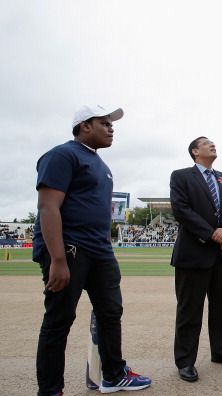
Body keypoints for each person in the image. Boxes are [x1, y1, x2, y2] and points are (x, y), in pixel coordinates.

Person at [33, 105, 151, 395]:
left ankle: (112, 374)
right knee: (59, 320)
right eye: (105, 123)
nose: (111, 128)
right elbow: (48, 207)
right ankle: (50, 390)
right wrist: (58, 259)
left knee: (111, 312)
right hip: (70, 249)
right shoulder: (62, 154)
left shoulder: (101, 165)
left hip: (99, 251)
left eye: (112, 124)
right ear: (85, 126)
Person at [170, 136, 222, 383]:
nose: (213, 145)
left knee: (221, 308)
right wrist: (212, 233)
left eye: (213, 142)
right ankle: (185, 361)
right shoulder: (180, 176)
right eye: (206, 143)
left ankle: (220, 352)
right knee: (190, 311)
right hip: (193, 254)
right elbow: (181, 210)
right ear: (194, 151)